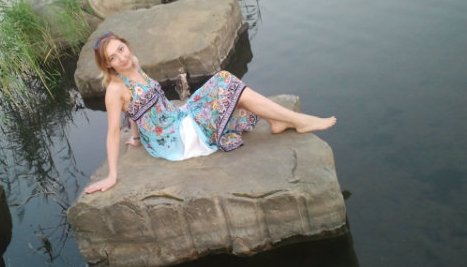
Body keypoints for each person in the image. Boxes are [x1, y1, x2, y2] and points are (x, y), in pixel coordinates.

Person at [84, 31, 336, 194]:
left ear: (127, 46)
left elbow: (133, 113)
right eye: (113, 57)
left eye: (121, 49)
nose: (121, 57)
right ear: (107, 65)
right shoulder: (114, 90)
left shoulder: (135, 66)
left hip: (179, 117)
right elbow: (113, 132)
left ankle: (277, 120)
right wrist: (112, 176)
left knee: (224, 81)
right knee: (226, 84)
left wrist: (137, 138)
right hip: (174, 138)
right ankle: (299, 121)